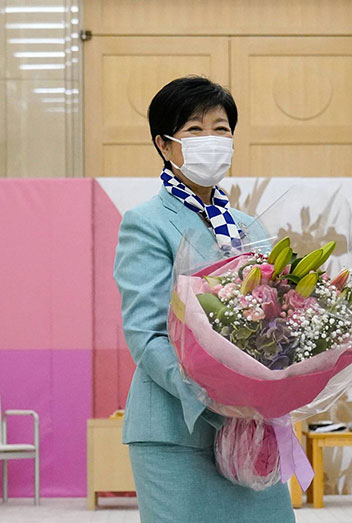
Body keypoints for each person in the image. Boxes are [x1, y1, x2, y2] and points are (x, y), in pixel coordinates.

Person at [113, 76, 295, 522]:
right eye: (194, 130)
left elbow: (273, 323)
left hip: (252, 434)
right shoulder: (146, 222)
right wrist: (211, 395)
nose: (211, 139)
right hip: (178, 430)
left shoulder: (250, 227)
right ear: (164, 144)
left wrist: (278, 380)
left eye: (221, 128)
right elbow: (147, 333)